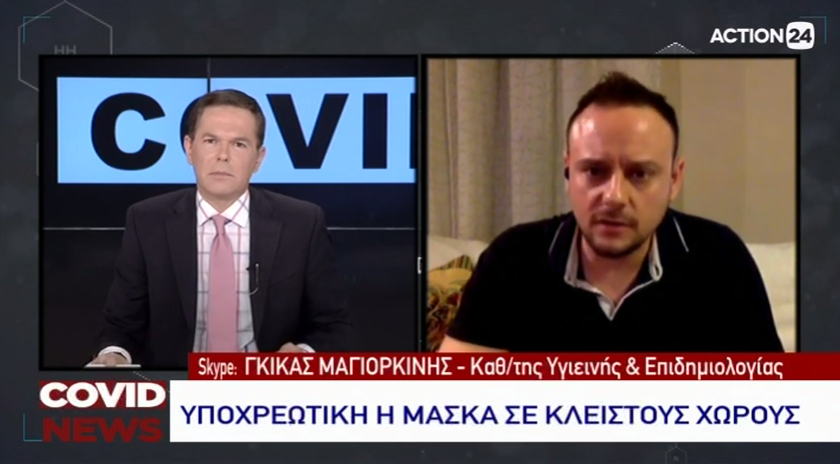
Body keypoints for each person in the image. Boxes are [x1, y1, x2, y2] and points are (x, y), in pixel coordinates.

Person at [439, 72, 784, 353]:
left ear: (674, 179)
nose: (615, 196)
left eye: (640, 174)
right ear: (568, 170)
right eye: (594, 171)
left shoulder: (721, 259)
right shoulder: (512, 258)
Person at [89, 89, 353, 369]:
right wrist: (113, 355)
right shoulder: (147, 221)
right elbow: (121, 324)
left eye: (238, 144)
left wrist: (303, 353)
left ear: (259, 158)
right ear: (189, 149)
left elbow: (333, 325)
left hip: (266, 383)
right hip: (177, 383)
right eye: (211, 141)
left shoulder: (301, 223)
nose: (223, 155)